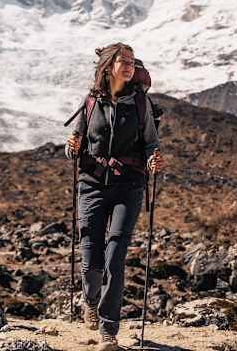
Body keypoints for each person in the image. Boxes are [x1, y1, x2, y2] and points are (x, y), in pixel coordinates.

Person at [66, 42, 163, 351]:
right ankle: (90, 301)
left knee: (115, 257)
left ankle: (109, 332)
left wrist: (153, 160)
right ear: (109, 66)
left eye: (132, 63)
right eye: (124, 61)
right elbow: (75, 146)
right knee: (91, 257)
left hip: (129, 186)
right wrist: (71, 146)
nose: (129, 67)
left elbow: (150, 143)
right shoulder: (90, 102)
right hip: (91, 184)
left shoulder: (140, 104)